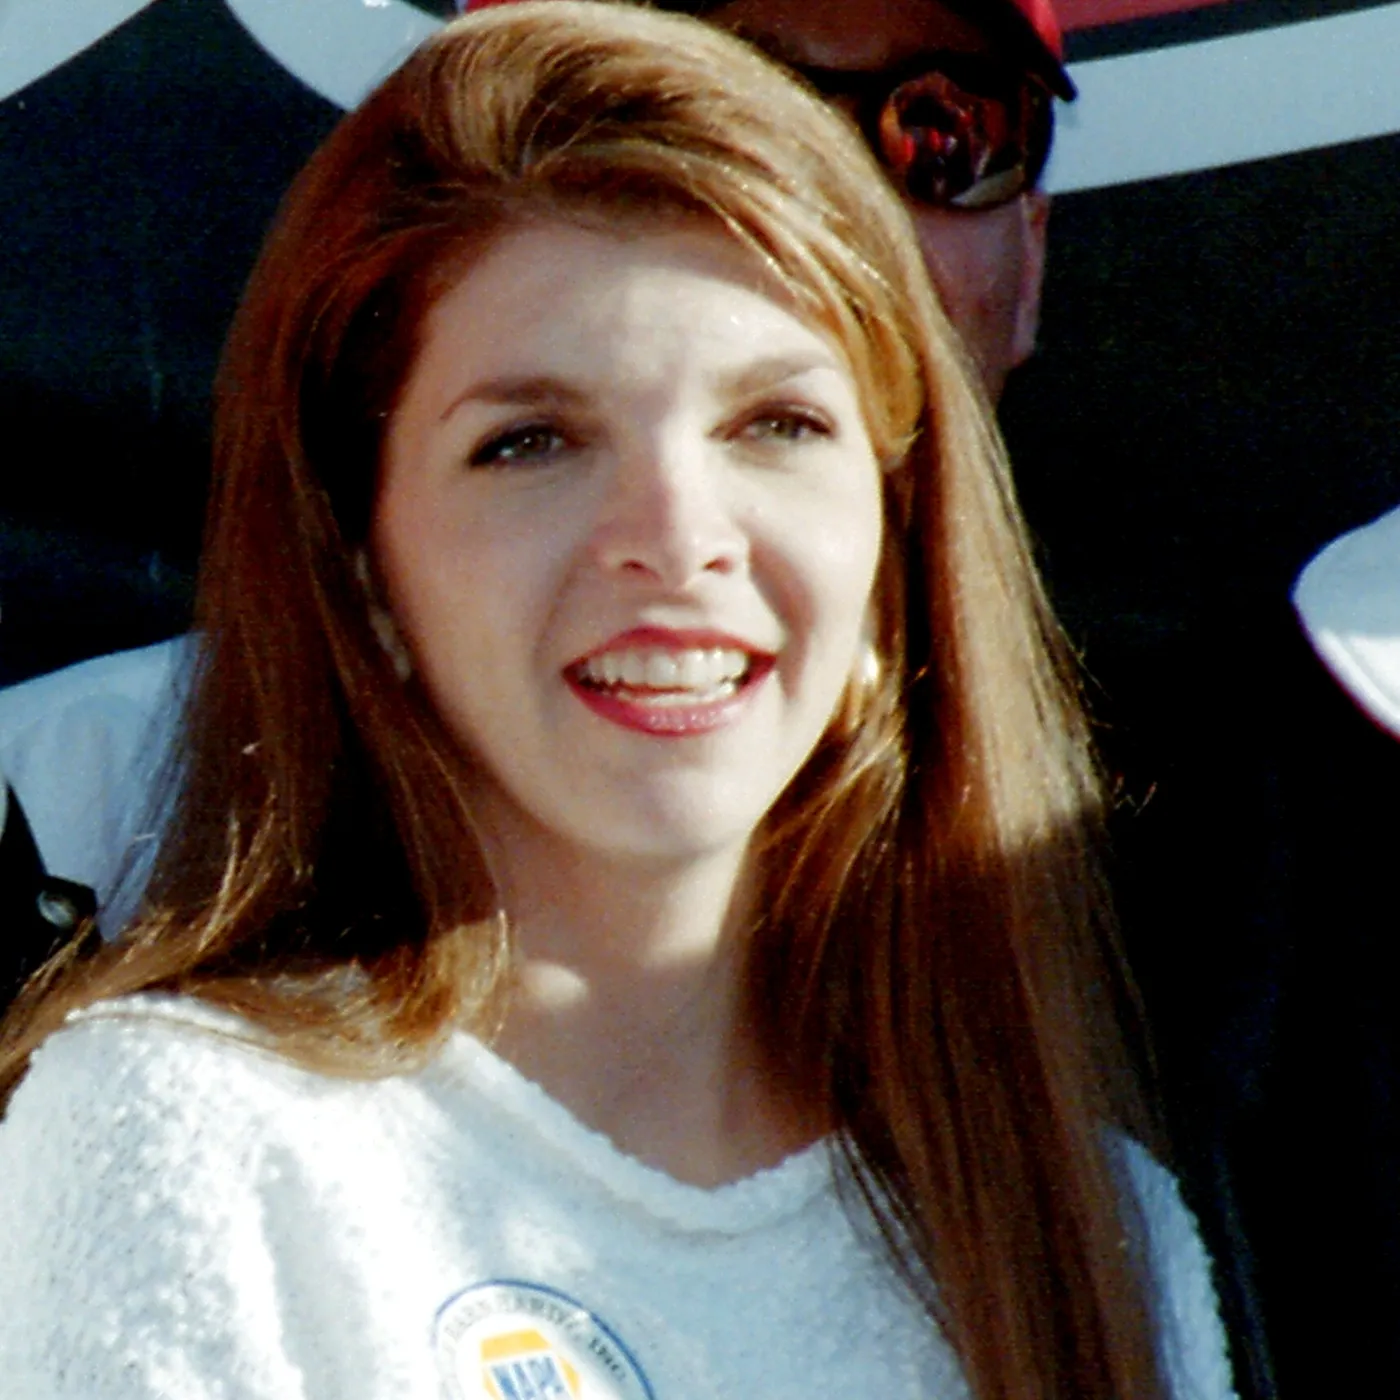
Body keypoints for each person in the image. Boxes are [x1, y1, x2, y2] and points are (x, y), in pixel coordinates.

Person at [0, 6, 1236, 1397]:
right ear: (362, 563)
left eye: (774, 425)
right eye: (531, 442)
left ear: (897, 541)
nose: (675, 537)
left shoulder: (1098, 1228)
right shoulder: (187, 1132)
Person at [0, 0, 1070, 925]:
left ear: (1029, 260)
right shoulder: (78, 809)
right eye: (728, 108)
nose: (841, 204)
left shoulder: (1114, 883)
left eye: (945, 128)